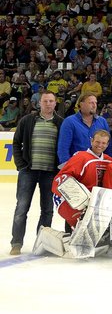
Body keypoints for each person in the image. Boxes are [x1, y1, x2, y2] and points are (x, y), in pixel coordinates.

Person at [10, 91, 63, 255]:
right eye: (45, 101)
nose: (48, 104)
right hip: (29, 172)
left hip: (50, 173)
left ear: (55, 103)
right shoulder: (27, 120)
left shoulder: (61, 123)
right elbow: (16, 143)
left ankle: (41, 243)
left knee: (47, 210)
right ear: (39, 103)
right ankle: (16, 243)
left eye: (51, 101)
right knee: (21, 208)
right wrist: (20, 165)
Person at [51, 130, 111, 231]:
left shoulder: (109, 161)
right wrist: (79, 199)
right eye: (97, 142)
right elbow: (60, 180)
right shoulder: (80, 157)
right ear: (92, 141)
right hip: (76, 204)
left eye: (103, 143)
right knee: (76, 233)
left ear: (107, 144)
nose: (100, 145)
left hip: (96, 206)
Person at [57, 94, 110, 167]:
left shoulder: (102, 121)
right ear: (81, 104)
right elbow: (63, 149)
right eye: (91, 103)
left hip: (98, 167)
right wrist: (68, 168)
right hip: (76, 167)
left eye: (95, 103)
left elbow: (108, 147)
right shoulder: (69, 122)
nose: (94, 105)